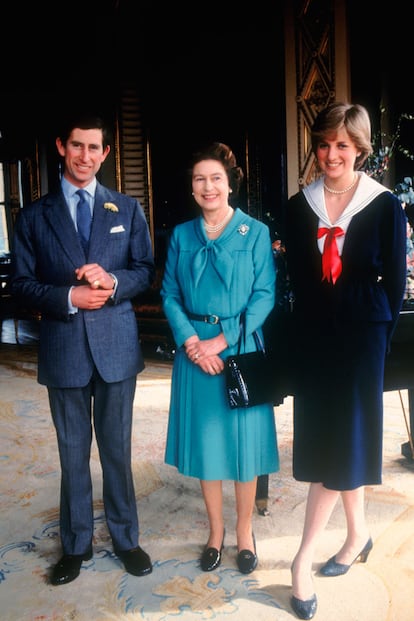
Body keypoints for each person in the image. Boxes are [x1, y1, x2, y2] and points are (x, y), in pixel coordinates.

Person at [10, 113, 155, 585]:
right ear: (61, 146)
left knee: (117, 450)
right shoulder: (33, 216)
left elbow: (144, 272)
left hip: (116, 350)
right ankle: (75, 546)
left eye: (94, 148)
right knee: (73, 454)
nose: (85, 157)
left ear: (106, 154)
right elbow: (21, 286)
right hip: (64, 349)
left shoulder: (127, 210)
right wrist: (69, 297)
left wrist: (112, 282)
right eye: (77, 146)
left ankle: (126, 538)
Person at [284, 102, 407, 619]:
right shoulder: (298, 206)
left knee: (343, 443)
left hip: (362, 337)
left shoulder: (384, 206)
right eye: (324, 144)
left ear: (359, 148)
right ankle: (357, 535)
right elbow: (297, 279)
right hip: (316, 336)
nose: (332, 154)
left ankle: (301, 560)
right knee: (329, 440)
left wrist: (374, 338)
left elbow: (397, 283)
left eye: (343, 145)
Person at [160, 141, 279, 574]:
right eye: (199, 179)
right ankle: (216, 531)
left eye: (215, 178)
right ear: (192, 188)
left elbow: (265, 296)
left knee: (243, 448)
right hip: (194, 352)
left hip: (240, 349)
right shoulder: (180, 235)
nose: (208, 186)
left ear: (230, 184)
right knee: (209, 447)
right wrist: (193, 342)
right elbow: (169, 294)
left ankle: (245, 531)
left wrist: (222, 340)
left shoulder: (256, 233)